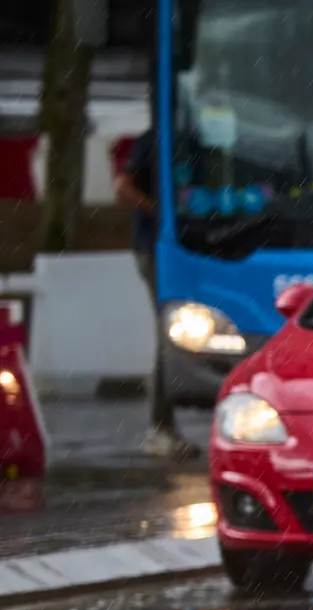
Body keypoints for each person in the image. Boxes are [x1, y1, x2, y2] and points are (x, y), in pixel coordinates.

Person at [114, 129, 200, 460]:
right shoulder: (159, 135)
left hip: (193, 243)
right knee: (171, 330)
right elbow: (123, 187)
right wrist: (162, 215)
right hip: (156, 248)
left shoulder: (197, 133)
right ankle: (160, 428)